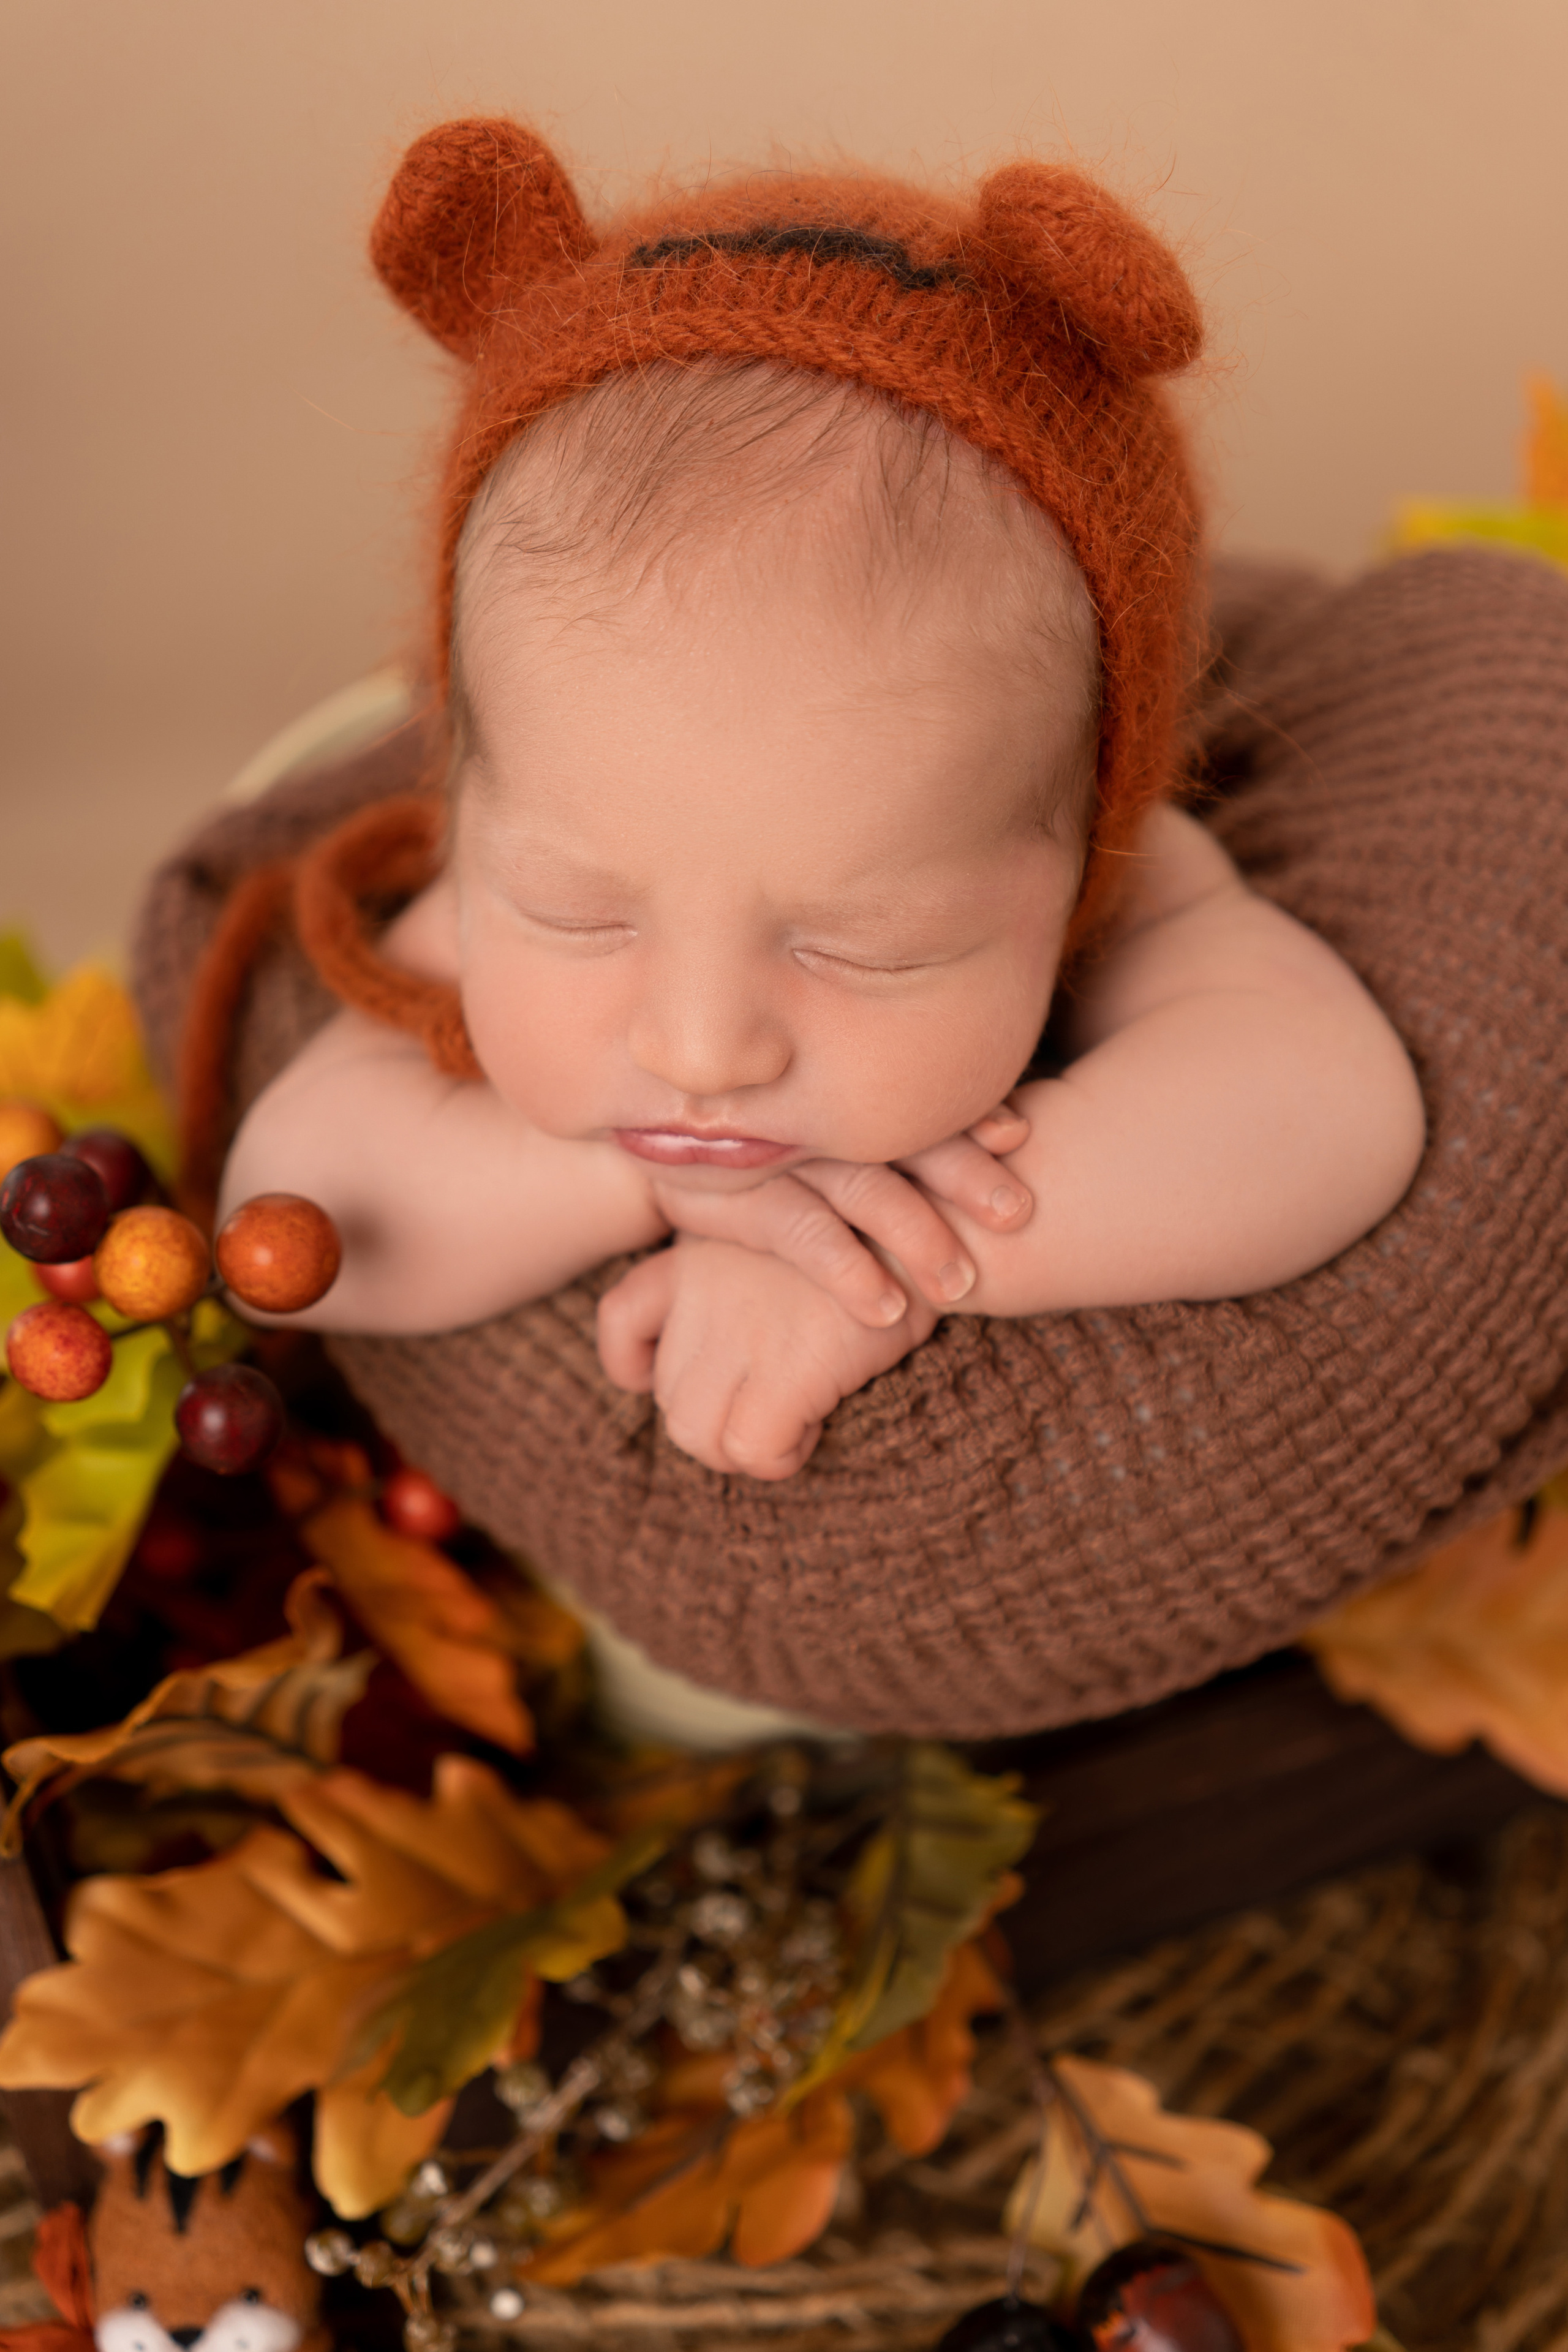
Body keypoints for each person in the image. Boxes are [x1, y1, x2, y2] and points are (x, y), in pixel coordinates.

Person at [217, 119, 1423, 1487]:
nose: (702, 1046)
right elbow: (302, 1224)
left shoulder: (1135, 890)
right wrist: (652, 1186)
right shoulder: (500, 866)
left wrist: (897, 1250)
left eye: (859, 946)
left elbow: (1324, 1115)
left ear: (1082, 837)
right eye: (577, 917)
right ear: (472, 799)